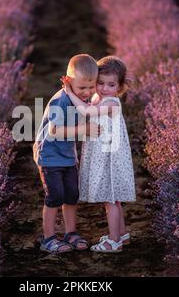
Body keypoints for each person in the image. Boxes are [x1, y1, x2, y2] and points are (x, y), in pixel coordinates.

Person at [62, 55, 136, 253]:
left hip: (109, 158)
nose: (104, 88)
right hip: (103, 153)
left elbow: (87, 112)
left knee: (110, 199)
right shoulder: (98, 97)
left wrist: (70, 92)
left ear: (119, 87)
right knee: (114, 199)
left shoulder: (111, 103)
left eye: (111, 84)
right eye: (100, 83)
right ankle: (122, 234)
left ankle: (113, 241)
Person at [33, 54, 101, 253]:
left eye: (91, 87)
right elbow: (55, 130)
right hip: (50, 156)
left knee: (72, 195)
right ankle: (48, 238)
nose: (87, 92)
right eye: (82, 88)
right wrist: (84, 130)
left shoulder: (80, 98)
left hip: (68, 156)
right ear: (69, 81)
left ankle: (71, 233)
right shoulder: (60, 101)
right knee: (55, 196)